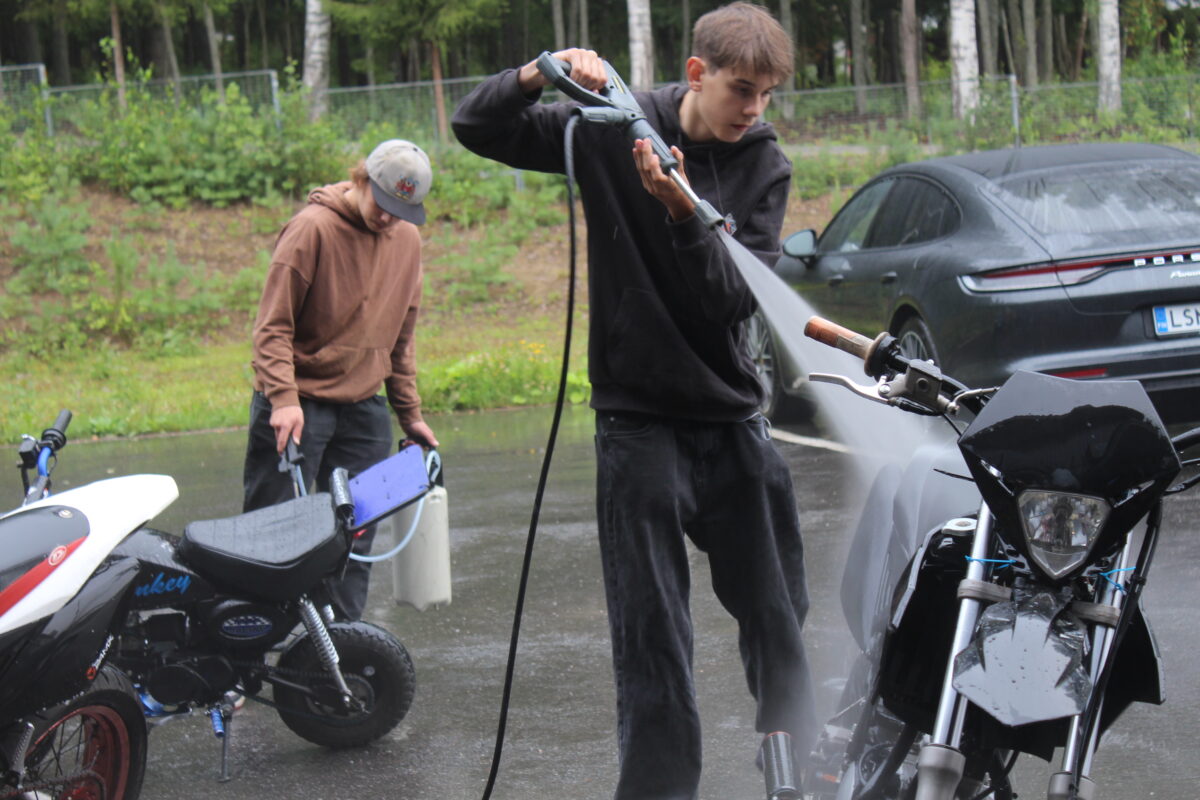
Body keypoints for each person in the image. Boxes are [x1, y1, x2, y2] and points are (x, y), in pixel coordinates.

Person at [452, 3, 815, 797]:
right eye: (741, 90)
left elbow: (732, 301)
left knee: (780, 618)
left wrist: (684, 210)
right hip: (637, 422)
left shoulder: (764, 168)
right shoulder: (612, 126)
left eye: (766, 95)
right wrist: (538, 71)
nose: (754, 109)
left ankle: (798, 779)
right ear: (697, 73)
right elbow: (475, 127)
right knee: (652, 640)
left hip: (729, 420)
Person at [242, 138, 440, 622]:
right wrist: (283, 397)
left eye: (403, 210)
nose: (389, 218)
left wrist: (409, 414)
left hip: (364, 408)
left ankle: (338, 651)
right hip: (298, 406)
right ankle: (243, 654)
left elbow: (402, 336)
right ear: (361, 179)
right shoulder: (312, 229)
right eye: (385, 203)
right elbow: (273, 326)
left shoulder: (407, 240)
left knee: (354, 536)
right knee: (272, 535)